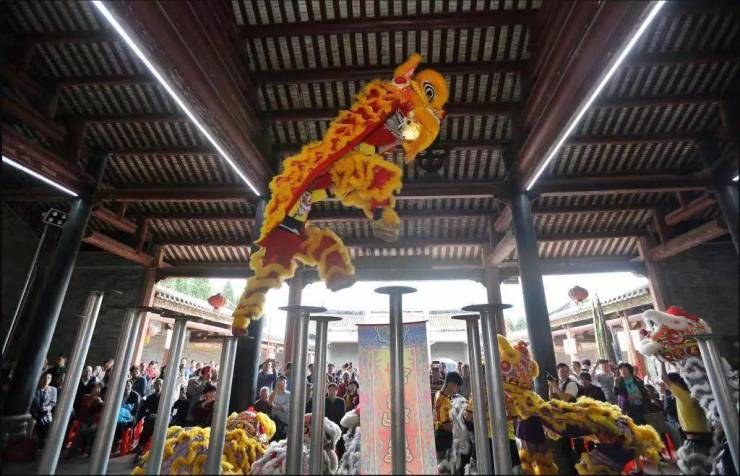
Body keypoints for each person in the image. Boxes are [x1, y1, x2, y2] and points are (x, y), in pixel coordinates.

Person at [659, 362, 713, 474]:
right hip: (704, 439)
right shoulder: (694, 394)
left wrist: (661, 362)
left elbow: (664, 378)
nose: (668, 387)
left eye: (670, 385)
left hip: (695, 443)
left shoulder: (683, 396)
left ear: (676, 384)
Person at [67, 382, 104, 458]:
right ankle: (72, 453)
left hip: (95, 421)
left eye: (98, 388)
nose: (97, 390)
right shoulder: (86, 397)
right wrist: (92, 400)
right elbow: (84, 410)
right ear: (92, 389)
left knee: (92, 430)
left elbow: (100, 414)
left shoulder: (101, 400)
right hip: (84, 420)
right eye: (95, 388)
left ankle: (88, 449)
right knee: (82, 430)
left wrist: (101, 403)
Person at [433, 371, 463, 459]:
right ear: (451, 384)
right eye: (457, 388)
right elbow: (447, 425)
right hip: (444, 438)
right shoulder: (444, 401)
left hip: (438, 434)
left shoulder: (438, 393)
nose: (457, 391)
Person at [133, 378, 163, 463]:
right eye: (157, 384)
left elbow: (168, 412)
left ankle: (145, 451)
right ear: (154, 386)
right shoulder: (151, 397)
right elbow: (143, 409)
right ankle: (139, 452)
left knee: (152, 422)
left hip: (160, 422)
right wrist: (137, 420)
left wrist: (157, 415)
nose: (158, 386)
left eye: (160, 384)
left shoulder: (164, 398)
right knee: (145, 431)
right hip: (150, 421)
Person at [31, 372, 57, 449]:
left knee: (48, 423)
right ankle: (39, 443)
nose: (46, 379)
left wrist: (46, 408)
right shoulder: (36, 389)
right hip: (36, 412)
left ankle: (43, 443)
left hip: (47, 413)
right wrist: (38, 409)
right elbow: (33, 402)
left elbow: (53, 403)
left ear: (50, 380)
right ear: (41, 379)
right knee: (39, 422)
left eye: (48, 378)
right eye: (45, 378)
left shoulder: (53, 390)